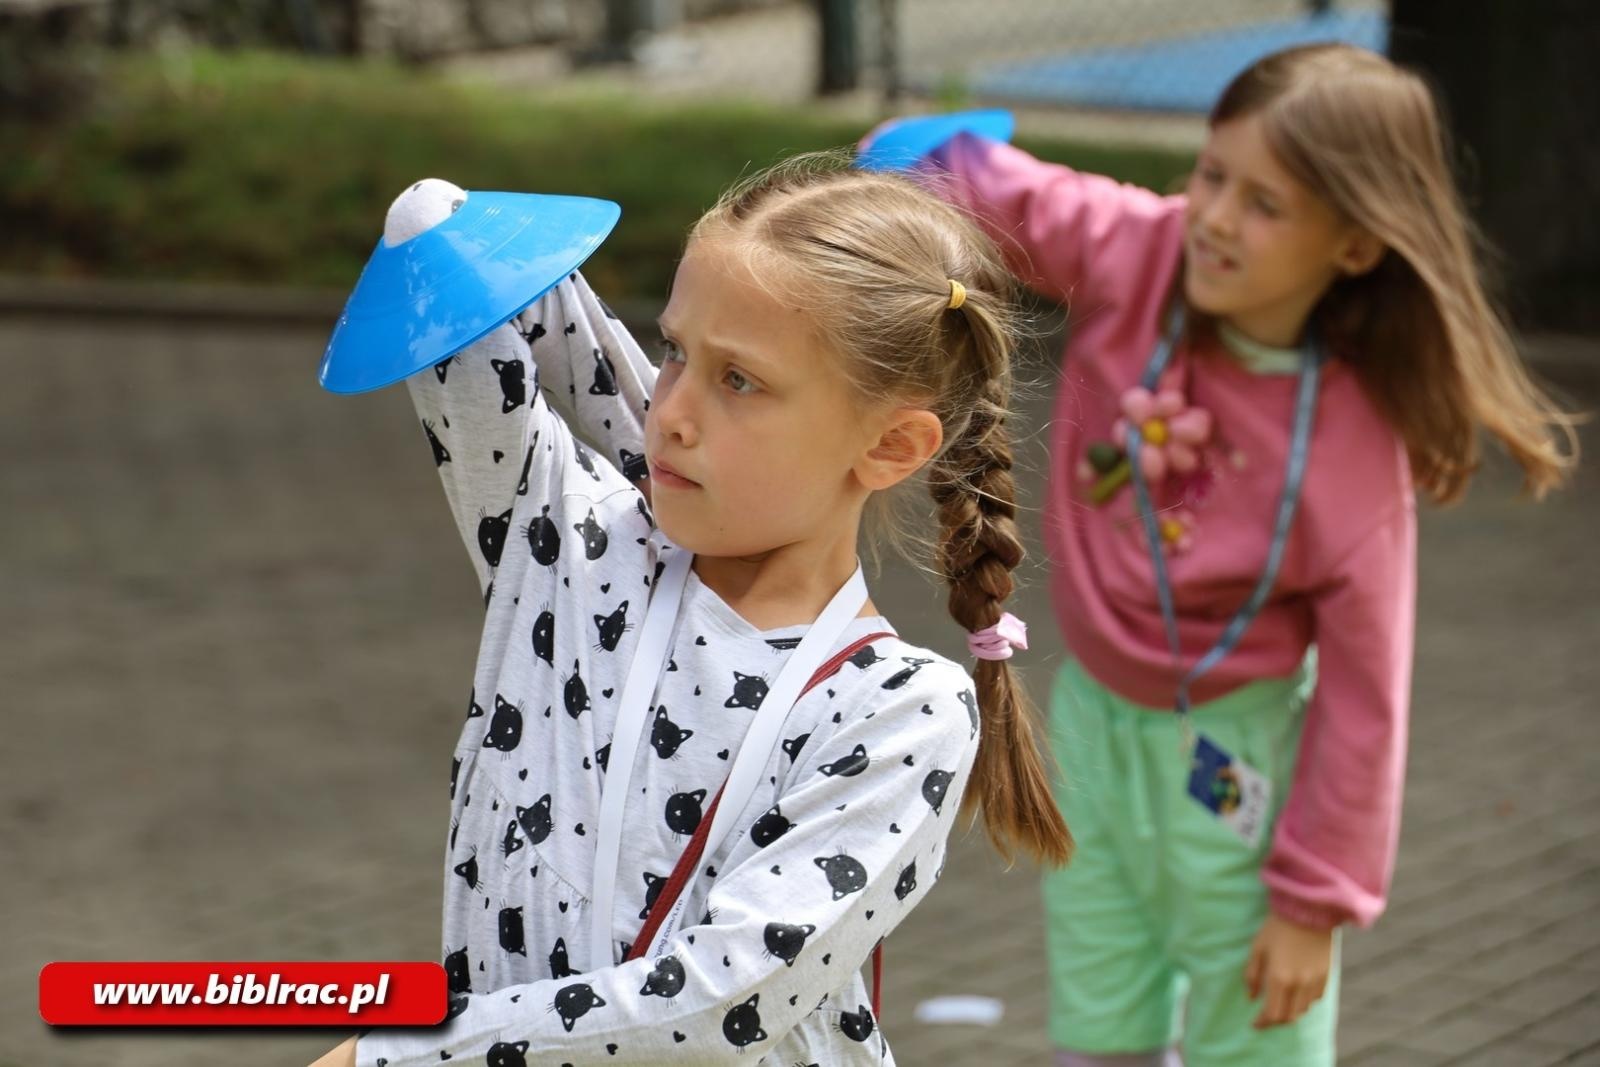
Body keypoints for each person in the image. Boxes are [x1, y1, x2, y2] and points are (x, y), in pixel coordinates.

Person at [864, 43, 1577, 1067]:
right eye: (1212, 174)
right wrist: (908, 163)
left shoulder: (1350, 441)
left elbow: (1365, 695)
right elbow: (1021, 196)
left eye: (1266, 204)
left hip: (1239, 770)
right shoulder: (1143, 251)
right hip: (1095, 735)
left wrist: (1313, 902)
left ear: (1355, 244)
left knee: (1257, 1036)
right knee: (1100, 1026)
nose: (1216, 214)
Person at [313, 158, 1071, 1067]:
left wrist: (396, 1058)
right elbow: (429, 225)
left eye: (740, 381)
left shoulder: (900, 711)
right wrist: (684, 413)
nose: (672, 411)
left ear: (891, 445)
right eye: (673, 350)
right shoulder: (566, 548)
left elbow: (717, 1002)